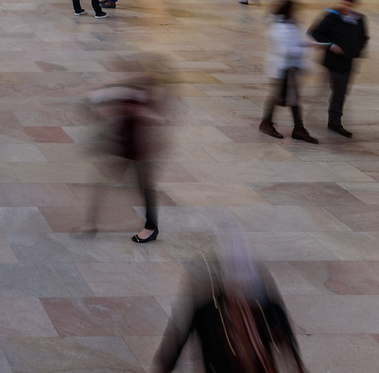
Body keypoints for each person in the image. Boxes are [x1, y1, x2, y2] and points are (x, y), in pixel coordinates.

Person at [155, 227, 308, 373]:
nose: (244, 307)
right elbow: (176, 343)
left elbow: (290, 348)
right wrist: (165, 364)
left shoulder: (270, 310)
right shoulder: (207, 312)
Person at [85, 73, 162, 243]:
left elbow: (155, 119)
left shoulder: (141, 99)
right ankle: (91, 222)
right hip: (127, 145)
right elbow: (95, 100)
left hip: (139, 149)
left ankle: (151, 227)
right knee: (107, 181)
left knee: (143, 186)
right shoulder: (131, 94)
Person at [308, 0, 368, 137]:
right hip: (334, 61)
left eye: (347, 4)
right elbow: (315, 32)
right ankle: (335, 122)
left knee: (340, 92)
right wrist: (331, 45)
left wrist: (355, 51)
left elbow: (363, 38)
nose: (344, 6)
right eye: (343, 3)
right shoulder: (332, 16)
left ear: (353, 5)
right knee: (339, 92)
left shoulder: (359, 19)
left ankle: (334, 120)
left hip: (348, 61)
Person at [260, 0, 318, 142]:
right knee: (289, 98)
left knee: (287, 98)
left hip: (290, 68)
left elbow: (296, 43)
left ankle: (273, 124)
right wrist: (306, 47)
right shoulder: (279, 27)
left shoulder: (291, 25)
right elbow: (286, 49)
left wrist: (307, 45)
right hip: (282, 68)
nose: (296, 13)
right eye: (294, 11)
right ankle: (295, 128)